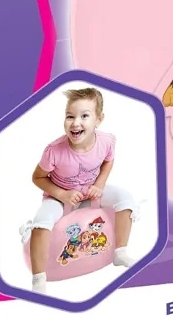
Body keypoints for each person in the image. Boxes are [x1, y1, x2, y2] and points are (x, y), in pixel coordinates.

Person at [19, 87, 137, 294]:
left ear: (99, 119)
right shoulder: (54, 151)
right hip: (58, 197)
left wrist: (99, 185)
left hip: (90, 192)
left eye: (84, 116)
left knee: (125, 199)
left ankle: (120, 251)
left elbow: (108, 161)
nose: (75, 123)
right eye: (70, 116)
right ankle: (38, 278)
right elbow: (37, 177)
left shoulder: (107, 141)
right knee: (41, 223)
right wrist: (62, 194)